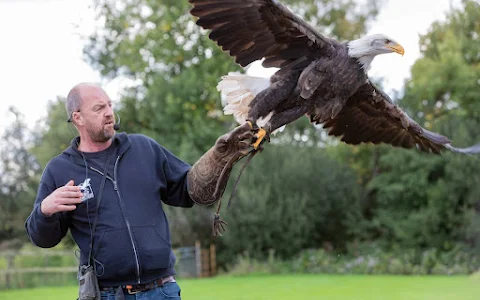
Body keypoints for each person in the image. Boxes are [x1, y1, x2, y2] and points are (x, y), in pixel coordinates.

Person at [25, 82, 254, 299]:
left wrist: (220, 159)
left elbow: (190, 189)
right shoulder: (60, 170)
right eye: (98, 108)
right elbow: (43, 239)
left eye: (109, 105)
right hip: (107, 295)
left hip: (162, 291)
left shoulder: (144, 149)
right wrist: (45, 210)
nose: (108, 112)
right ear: (78, 117)